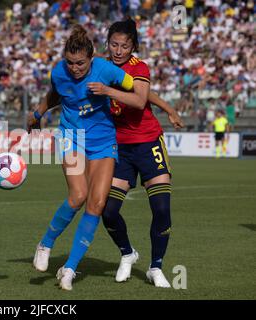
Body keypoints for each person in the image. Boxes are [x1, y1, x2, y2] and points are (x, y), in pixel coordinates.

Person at [28, 24, 135, 291]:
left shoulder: (105, 69)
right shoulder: (59, 72)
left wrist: (110, 91)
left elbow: (134, 87)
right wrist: (38, 114)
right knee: (78, 196)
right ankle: (45, 244)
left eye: (81, 63)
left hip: (104, 141)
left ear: (92, 58)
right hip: (71, 137)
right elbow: (55, 94)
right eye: (71, 63)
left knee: (96, 204)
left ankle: (69, 269)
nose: (75, 68)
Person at [90, 19, 184, 288]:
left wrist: (108, 91)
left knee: (162, 208)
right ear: (107, 44)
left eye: (125, 46)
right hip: (119, 147)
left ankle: (156, 267)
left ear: (133, 47)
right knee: (107, 211)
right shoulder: (99, 67)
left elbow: (141, 97)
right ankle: (127, 253)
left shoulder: (138, 67)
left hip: (149, 142)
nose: (119, 50)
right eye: (114, 45)